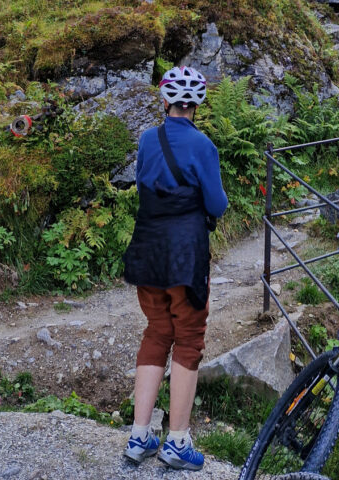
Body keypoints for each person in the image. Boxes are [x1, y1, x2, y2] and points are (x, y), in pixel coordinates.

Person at [122, 65, 228, 469]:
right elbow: (217, 204)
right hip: (186, 252)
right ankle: (178, 442)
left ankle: (139, 436)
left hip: (147, 246)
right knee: (187, 338)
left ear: (165, 101)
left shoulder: (148, 139)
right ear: (196, 105)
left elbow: (142, 186)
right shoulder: (204, 145)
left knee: (156, 331)